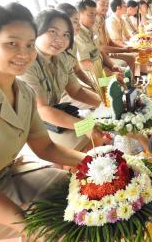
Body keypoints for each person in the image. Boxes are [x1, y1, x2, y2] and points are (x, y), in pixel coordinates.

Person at [0, 3, 86, 240]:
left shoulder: (62, 61)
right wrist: (90, 126)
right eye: (12, 43)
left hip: (13, 164)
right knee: (61, 220)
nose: (59, 39)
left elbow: (80, 92)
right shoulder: (26, 72)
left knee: (83, 188)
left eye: (67, 32)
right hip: (55, 129)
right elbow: (47, 113)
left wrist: (105, 110)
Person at [18, 9, 107, 151]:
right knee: (88, 143)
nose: (60, 39)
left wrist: (106, 104)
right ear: (36, 31)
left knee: (103, 131)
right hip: (31, 125)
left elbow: (76, 91)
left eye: (66, 34)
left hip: (55, 113)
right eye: (53, 32)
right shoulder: (27, 64)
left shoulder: (62, 57)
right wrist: (84, 126)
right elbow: (42, 110)